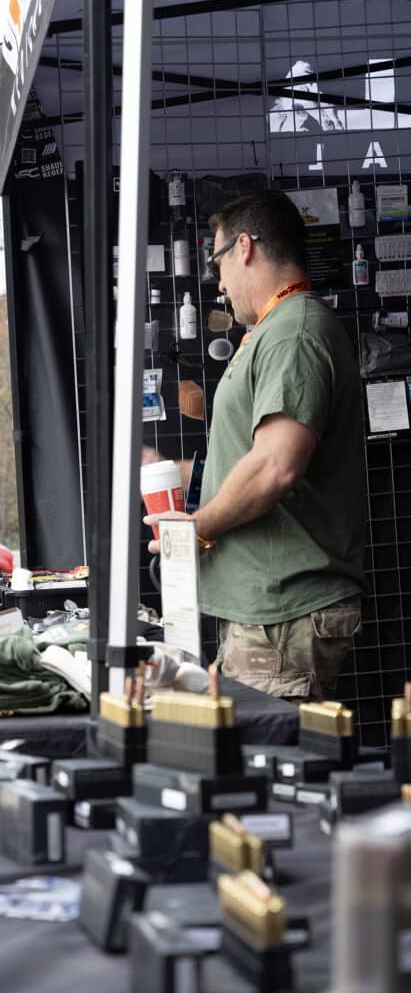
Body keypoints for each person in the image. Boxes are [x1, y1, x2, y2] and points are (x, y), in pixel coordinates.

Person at [145, 189, 366, 702]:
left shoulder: (294, 332)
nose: (218, 283)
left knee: (264, 769)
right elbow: (252, 459)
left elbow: (274, 468)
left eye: (217, 262)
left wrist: (194, 531)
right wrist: (178, 472)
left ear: (244, 247)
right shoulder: (277, 330)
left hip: (283, 614)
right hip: (269, 614)